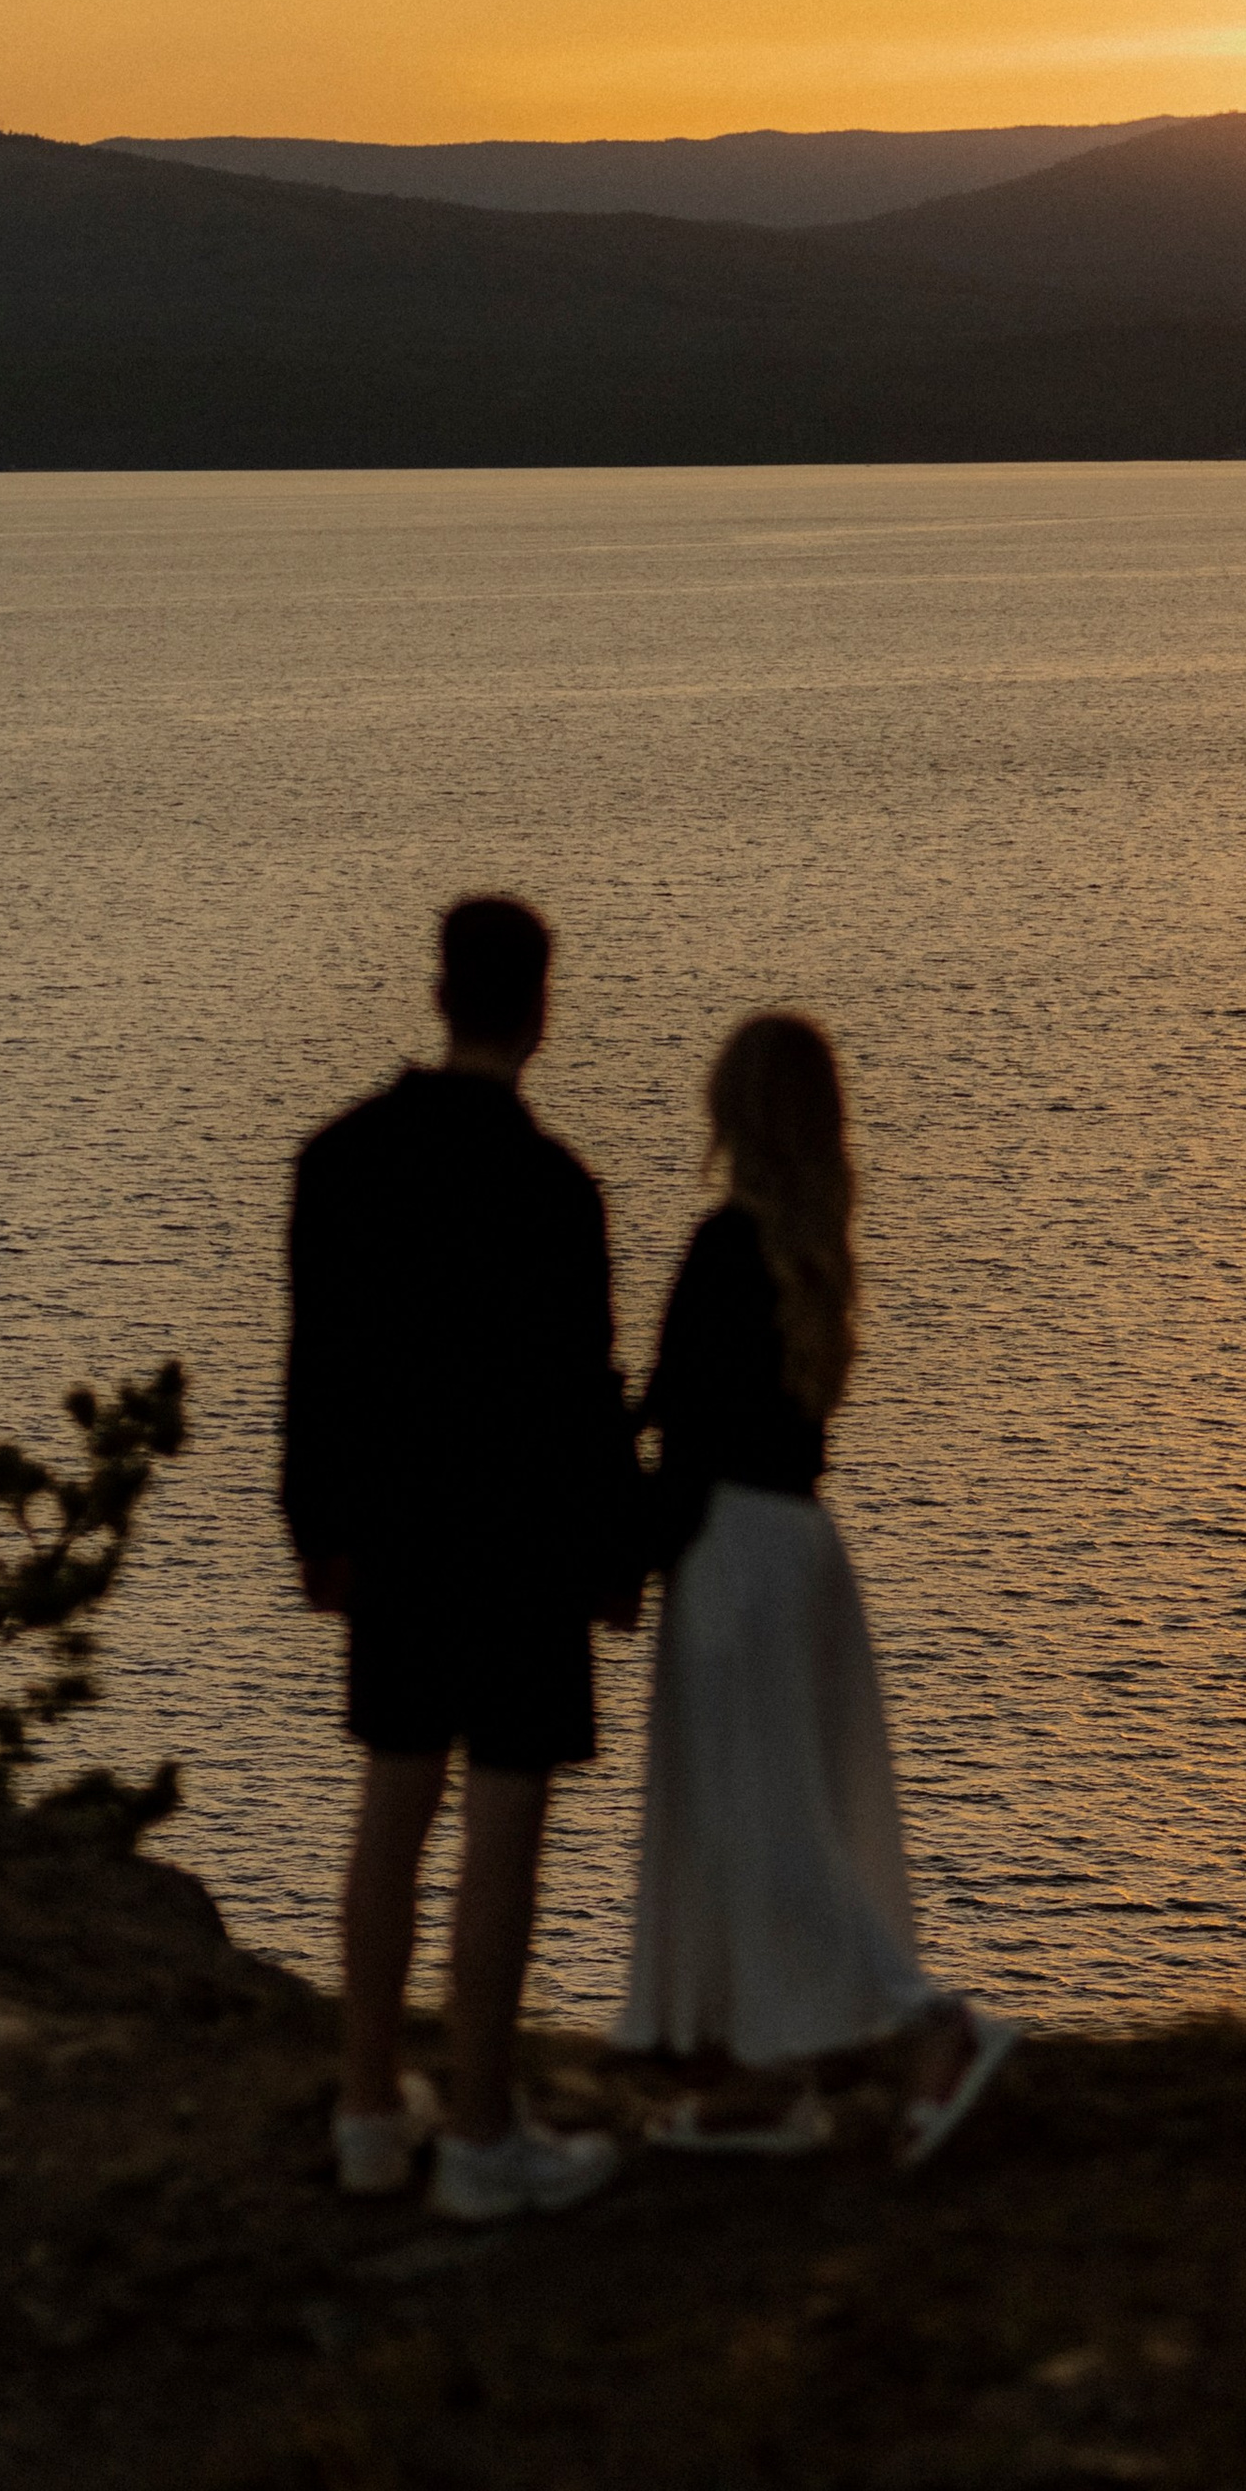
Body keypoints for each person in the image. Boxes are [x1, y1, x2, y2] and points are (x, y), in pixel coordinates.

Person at [282, 895, 643, 2224]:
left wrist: (313, 1532)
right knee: (501, 1820)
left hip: (390, 1536)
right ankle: (485, 2130)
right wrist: (616, 1556)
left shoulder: (339, 1161)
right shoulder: (557, 1192)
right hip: (522, 1540)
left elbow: (311, 1373)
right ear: (540, 1009)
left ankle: (369, 2107)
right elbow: (586, 1397)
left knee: (393, 1800)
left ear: (439, 994)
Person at [613, 1010, 1016, 2167]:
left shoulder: (724, 1247)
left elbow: (685, 1428)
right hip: (799, 1547)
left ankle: (933, 2026)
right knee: (763, 1813)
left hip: (730, 1552)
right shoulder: (813, 1255)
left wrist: (625, 1546)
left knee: (766, 1825)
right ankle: (769, 2074)